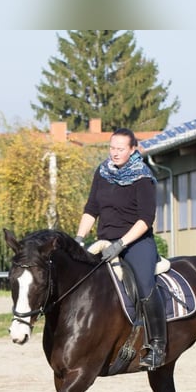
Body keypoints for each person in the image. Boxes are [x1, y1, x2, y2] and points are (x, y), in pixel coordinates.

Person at [75, 128, 166, 370]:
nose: (114, 153)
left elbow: (145, 219)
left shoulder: (143, 177)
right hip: (104, 241)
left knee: (145, 284)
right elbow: (91, 208)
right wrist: (79, 238)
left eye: (120, 149)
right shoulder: (102, 172)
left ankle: (157, 344)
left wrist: (121, 244)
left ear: (133, 149)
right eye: (112, 148)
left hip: (135, 242)